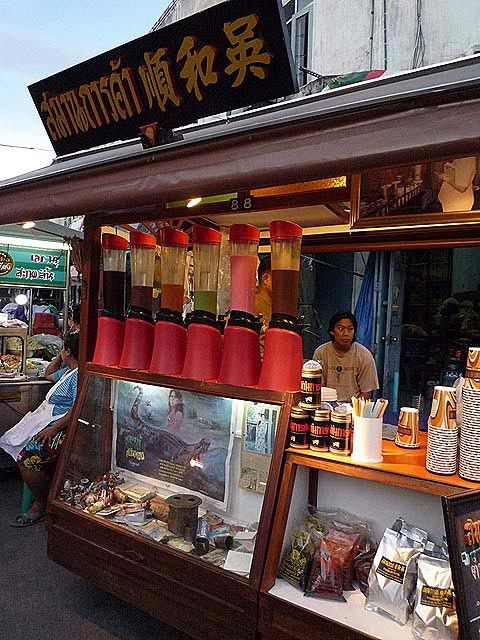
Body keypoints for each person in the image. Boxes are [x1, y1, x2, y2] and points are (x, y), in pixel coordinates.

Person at [0, 333, 79, 527]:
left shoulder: (78, 375)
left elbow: (76, 408)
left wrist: (54, 429)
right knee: (12, 439)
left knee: (26, 460)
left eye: (63, 349)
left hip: (59, 427)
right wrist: (62, 356)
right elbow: (47, 373)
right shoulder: (68, 371)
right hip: (45, 421)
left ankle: (42, 503)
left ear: (68, 351)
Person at [313, 311, 379, 403]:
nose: (346, 333)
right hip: (325, 404)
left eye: (350, 329)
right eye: (340, 328)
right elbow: (316, 388)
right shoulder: (321, 353)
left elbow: (366, 393)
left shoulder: (364, 355)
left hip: (353, 406)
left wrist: (350, 408)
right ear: (332, 331)